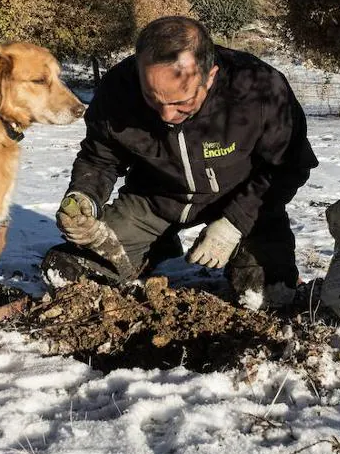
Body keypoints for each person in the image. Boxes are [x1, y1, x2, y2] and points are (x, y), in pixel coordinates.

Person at [42, 16, 318, 308]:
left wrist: (234, 223)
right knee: (69, 273)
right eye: (152, 98)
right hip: (154, 201)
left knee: (266, 293)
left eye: (181, 102)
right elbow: (100, 157)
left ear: (210, 76)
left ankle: (246, 253)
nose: (166, 116)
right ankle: (158, 245)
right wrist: (84, 195)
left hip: (243, 201)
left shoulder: (259, 89)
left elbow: (289, 165)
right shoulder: (118, 89)